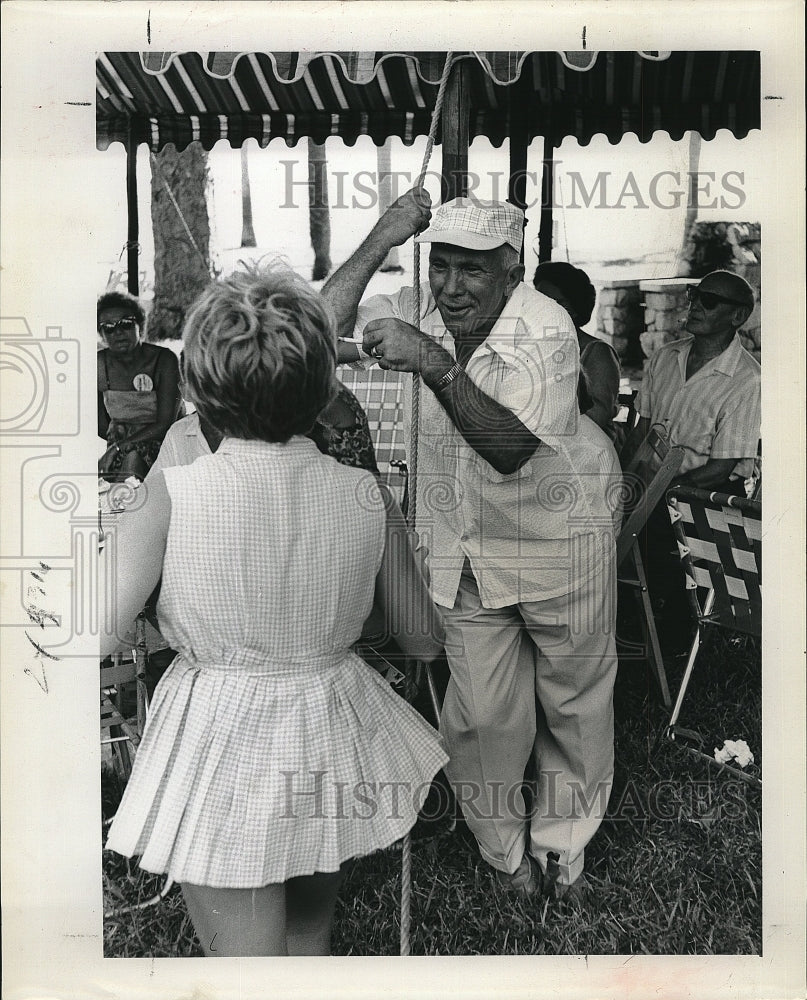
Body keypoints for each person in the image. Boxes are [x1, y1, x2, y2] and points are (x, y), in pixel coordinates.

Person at [101, 264, 447, 957]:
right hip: (325, 721)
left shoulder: (171, 492)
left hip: (220, 735)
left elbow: (100, 628)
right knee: (307, 930)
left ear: (197, 390)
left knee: (244, 963)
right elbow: (423, 641)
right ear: (324, 387)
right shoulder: (363, 495)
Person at [322, 192, 622, 902]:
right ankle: (505, 854)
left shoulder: (544, 328)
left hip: (558, 538)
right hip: (459, 548)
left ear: (511, 269)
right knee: (482, 713)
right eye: (441, 267)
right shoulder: (417, 304)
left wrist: (433, 362)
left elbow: (510, 449)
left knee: (573, 701)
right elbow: (318, 328)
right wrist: (383, 233)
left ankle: (562, 849)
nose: (451, 288)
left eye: (473, 272)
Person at [632, 269, 761, 494]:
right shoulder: (665, 356)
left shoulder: (748, 379)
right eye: (694, 295)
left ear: (737, 316)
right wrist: (621, 483)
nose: (695, 306)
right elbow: (641, 430)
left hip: (704, 504)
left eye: (709, 301)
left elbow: (719, 470)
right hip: (650, 491)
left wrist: (655, 497)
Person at [97, 291, 183, 480]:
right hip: (118, 445)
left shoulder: (164, 360)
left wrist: (120, 446)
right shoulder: (98, 365)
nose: (118, 332)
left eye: (126, 324)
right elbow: (98, 424)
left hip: (163, 442)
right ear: (101, 333)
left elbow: (165, 423)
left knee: (133, 460)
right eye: (109, 328)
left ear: (140, 325)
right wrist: (118, 440)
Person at [533, 261, 621, 438]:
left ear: (574, 308)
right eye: (538, 302)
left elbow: (597, 418)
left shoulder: (597, 353)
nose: (541, 309)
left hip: (587, 450)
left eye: (554, 303)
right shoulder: (533, 347)